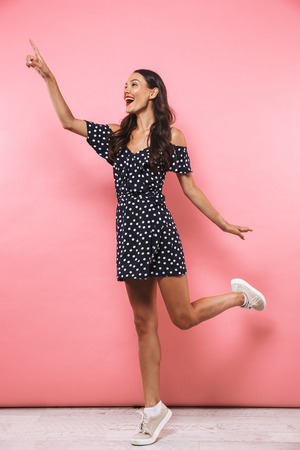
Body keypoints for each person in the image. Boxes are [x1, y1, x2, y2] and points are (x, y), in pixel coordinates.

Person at [26, 40, 266, 446]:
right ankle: (153, 410)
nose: (126, 89)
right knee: (143, 324)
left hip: (159, 229)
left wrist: (223, 222)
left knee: (183, 318)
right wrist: (48, 77)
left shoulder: (172, 136)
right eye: (124, 84)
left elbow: (190, 189)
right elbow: (68, 122)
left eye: (134, 83)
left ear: (153, 91)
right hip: (129, 233)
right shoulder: (117, 137)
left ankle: (239, 297)